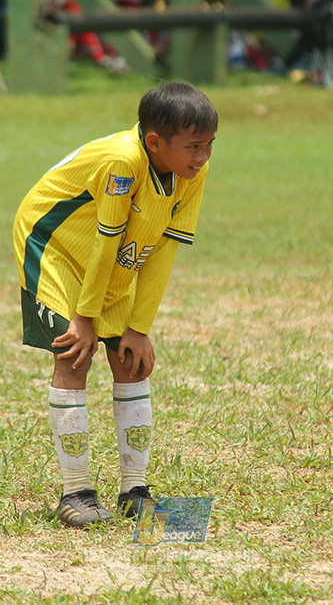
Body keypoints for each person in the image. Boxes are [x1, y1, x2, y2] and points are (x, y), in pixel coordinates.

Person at [12, 82, 217, 528]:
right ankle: (77, 492)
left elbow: (163, 251)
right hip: (57, 246)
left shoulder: (190, 173)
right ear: (154, 143)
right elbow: (103, 244)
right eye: (193, 146)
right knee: (75, 356)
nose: (202, 156)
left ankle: (134, 490)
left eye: (208, 145)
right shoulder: (122, 161)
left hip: (114, 251)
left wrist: (139, 328)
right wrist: (84, 319)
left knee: (130, 362)